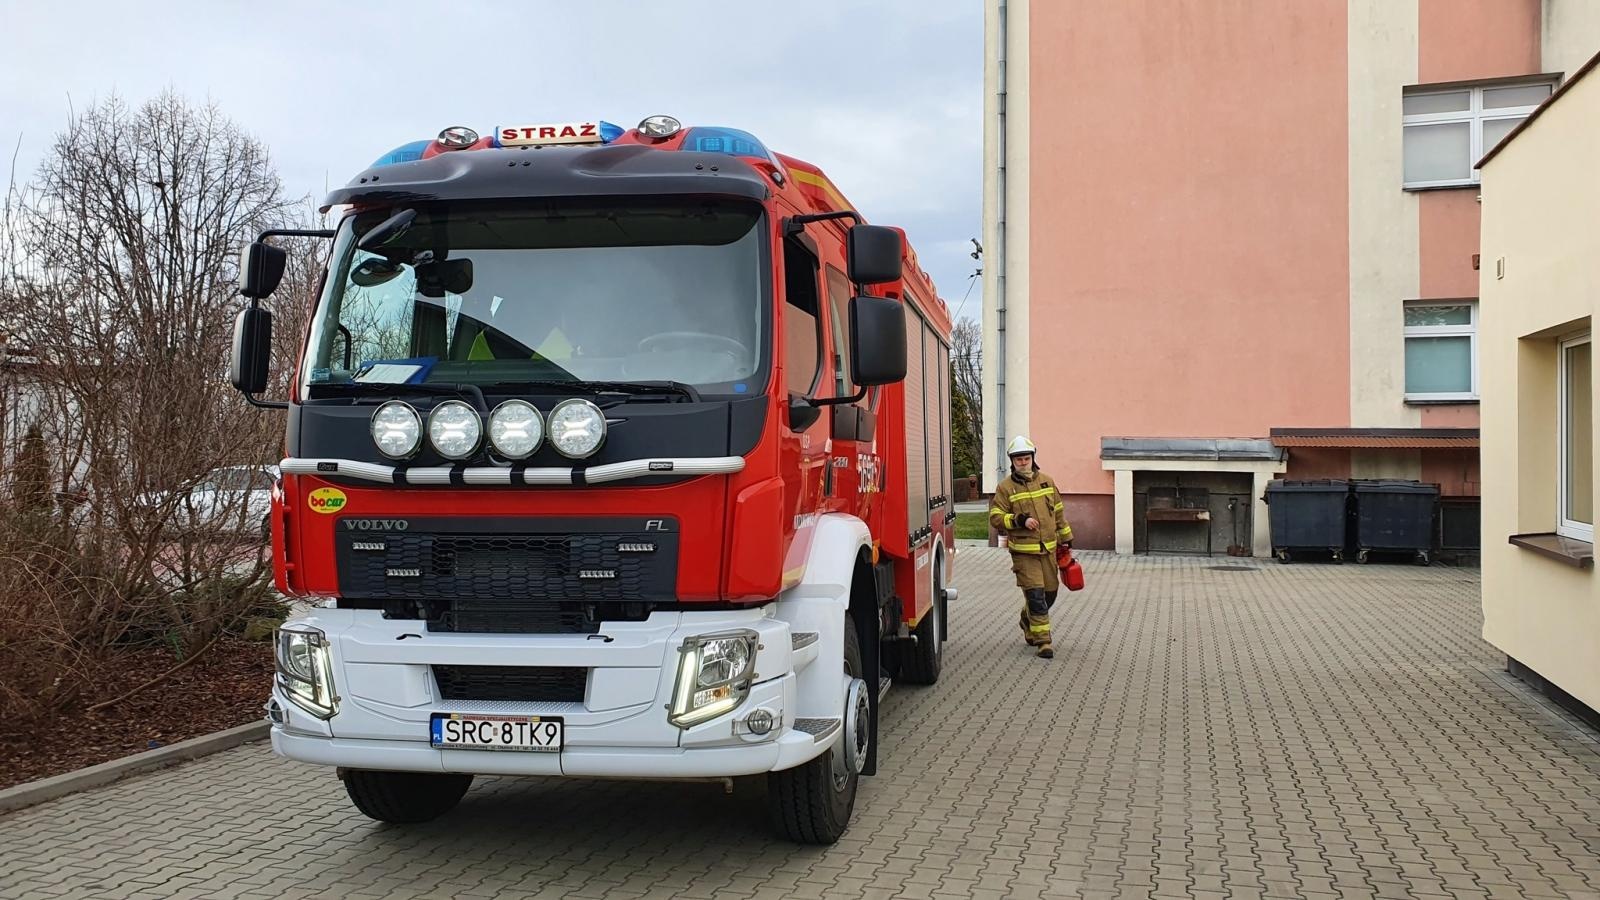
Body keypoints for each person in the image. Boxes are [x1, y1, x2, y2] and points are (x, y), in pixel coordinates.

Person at [989, 435, 1074, 659]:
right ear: (1012, 462)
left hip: (1048, 550)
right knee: (1035, 595)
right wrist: (1019, 520)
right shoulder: (1005, 488)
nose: (1023, 463)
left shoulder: (1047, 481)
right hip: (1024, 553)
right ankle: (1043, 641)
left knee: (1050, 594)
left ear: (1033, 458)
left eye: (1026, 458)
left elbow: (1058, 512)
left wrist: (1066, 537)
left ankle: (1027, 618)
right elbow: (996, 517)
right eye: (1019, 460)